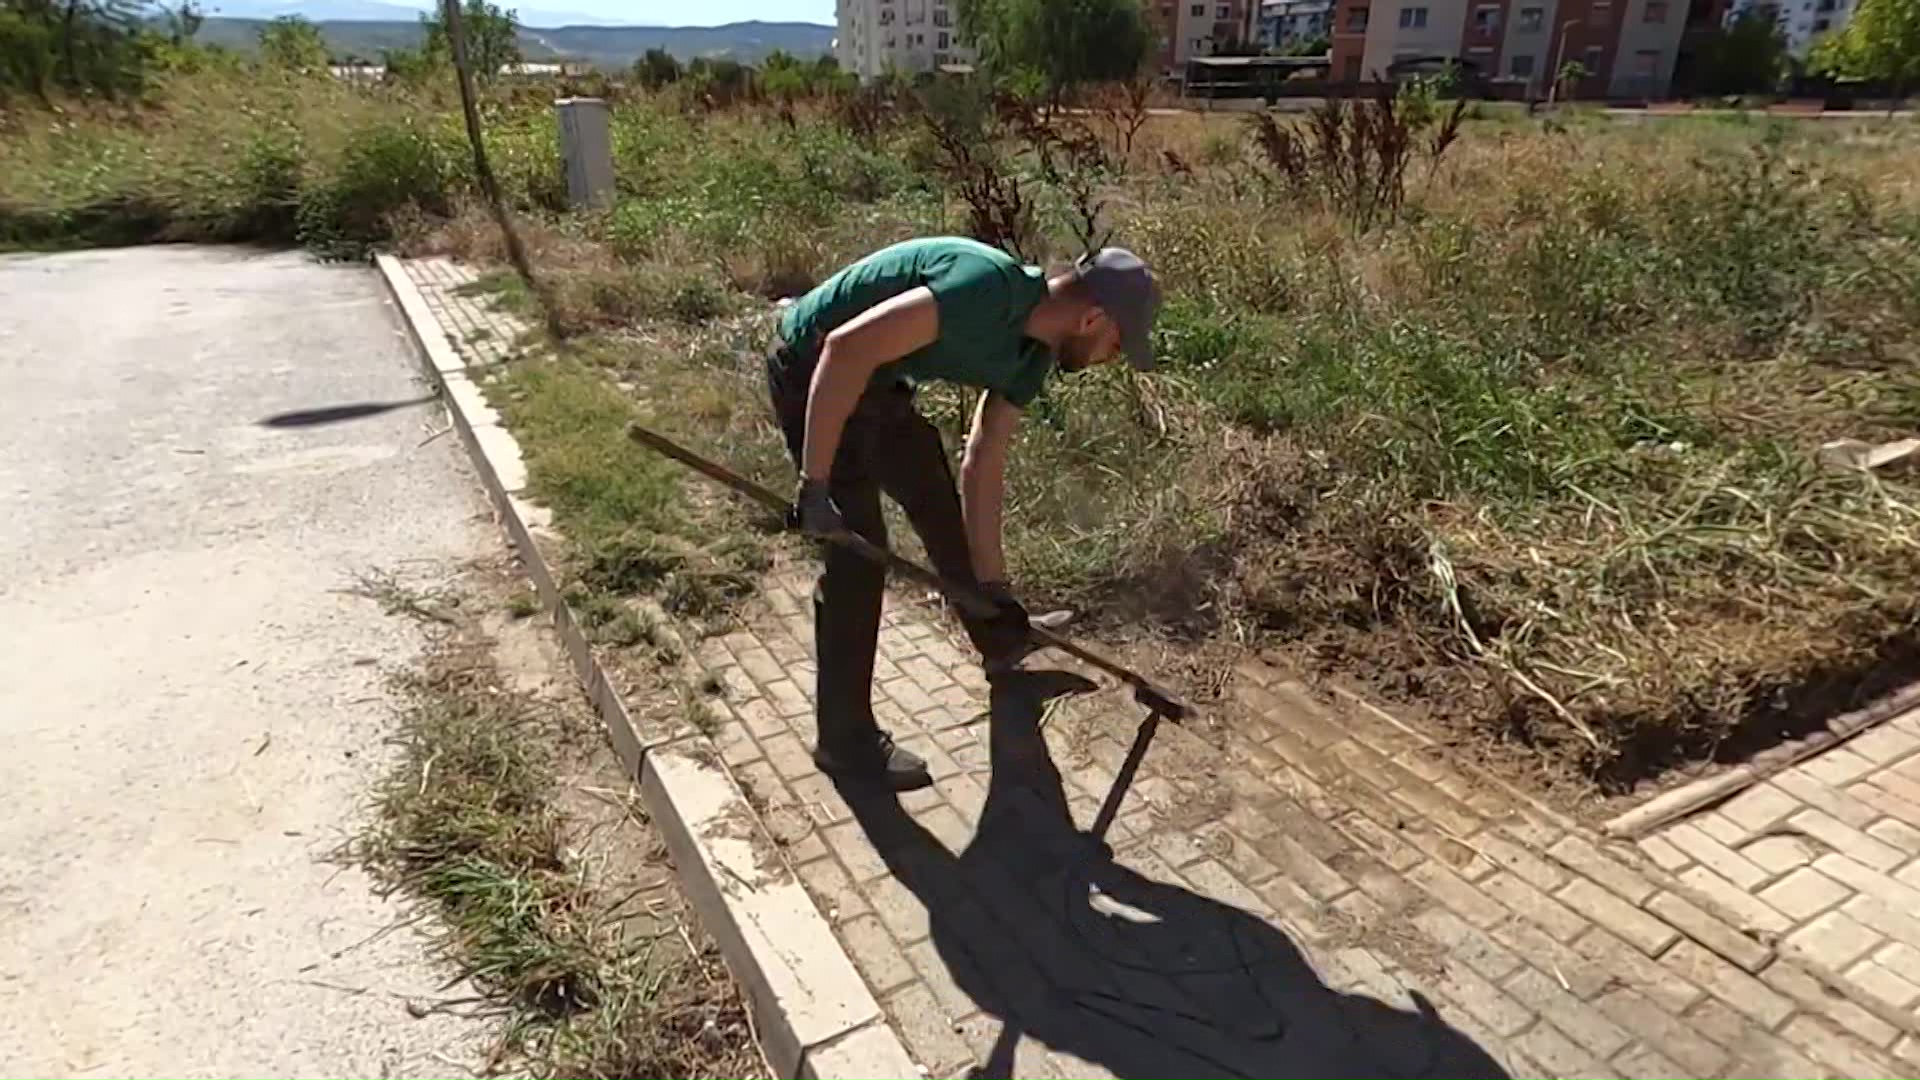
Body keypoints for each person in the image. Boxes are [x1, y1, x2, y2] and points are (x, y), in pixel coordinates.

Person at [764, 236, 1162, 791]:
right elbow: (843, 347)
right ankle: (844, 740)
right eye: (1118, 344)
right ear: (1092, 317)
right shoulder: (983, 289)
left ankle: (999, 640)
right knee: (858, 555)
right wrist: (815, 485)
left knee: (936, 500)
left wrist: (994, 587)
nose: (1112, 358)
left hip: (878, 384)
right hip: (814, 367)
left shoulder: (1031, 354)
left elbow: (983, 460)